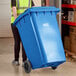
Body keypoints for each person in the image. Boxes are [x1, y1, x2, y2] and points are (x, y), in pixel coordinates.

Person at [11, 0, 34, 66]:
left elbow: (14, 8)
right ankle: (24, 61)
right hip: (26, 22)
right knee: (25, 41)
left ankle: (16, 60)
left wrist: (16, 21)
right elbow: (33, 8)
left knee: (17, 41)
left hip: (15, 22)